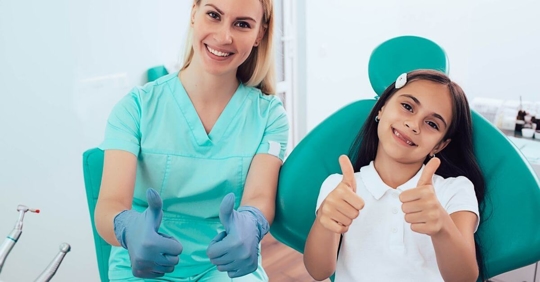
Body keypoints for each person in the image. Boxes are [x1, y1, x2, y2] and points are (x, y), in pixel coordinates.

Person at [94, 0, 288, 281]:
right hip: (145, 265)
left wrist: (252, 222)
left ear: (259, 34)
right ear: (194, 14)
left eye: (242, 24)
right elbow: (109, 205)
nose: (224, 37)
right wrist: (127, 227)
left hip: (225, 265)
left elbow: (260, 197)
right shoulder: (136, 108)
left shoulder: (270, 116)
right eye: (213, 15)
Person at [303, 69, 486, 282]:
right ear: (381, 108)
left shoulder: (455, 190)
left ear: (440, 144)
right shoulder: (339, 187)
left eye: (432, 124)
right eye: (408, 107)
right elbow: (318, 271)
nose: (413, 125)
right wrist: (326, 222)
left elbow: (464, 278)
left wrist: (443, 229)